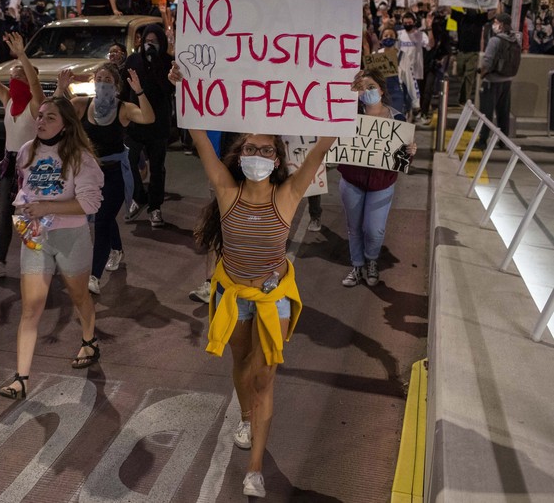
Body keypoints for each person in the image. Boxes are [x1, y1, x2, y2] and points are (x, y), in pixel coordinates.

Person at [172, 60, 336, 497]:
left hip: (272, 300)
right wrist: (183, 89)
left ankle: (256, 467)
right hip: (232, 295)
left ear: (278, 158)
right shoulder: (226, 190)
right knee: (241, 367)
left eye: (266, 151)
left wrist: (345, 95)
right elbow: (199, 137)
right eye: (250, 149)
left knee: (264, 378)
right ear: (240, 155)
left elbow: (322, 146)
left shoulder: (288, 194)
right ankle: (245, 418)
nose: (257, 157)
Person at [0, 97, 104, 401]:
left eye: (50, 117)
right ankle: (21, 378)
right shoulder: (27, 151)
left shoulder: (81, 158)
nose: (41, 122)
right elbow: (24, 191)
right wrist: (22, 215)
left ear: (67, 124)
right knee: (31, 307)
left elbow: (89, 204)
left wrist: (47, 206)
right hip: (36, 239)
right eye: (40, 116)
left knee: (79, 295)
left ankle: (89, 340)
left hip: (71, 238)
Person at [57, 62, 154, 294]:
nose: (102, 83)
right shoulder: (81, 105)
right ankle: (117, 249)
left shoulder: (123, 109)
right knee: (105, 217)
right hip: (89, 174)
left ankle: (94, 276)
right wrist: (61, 89)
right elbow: (55, 114)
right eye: (99, 79)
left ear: (116, 86)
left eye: (108, 80)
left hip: (114, 173)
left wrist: (139, 91)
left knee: (101, 220)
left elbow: (148, 118)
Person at [339, 70, 417, 288]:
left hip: (382, 185)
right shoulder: (348, 115)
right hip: (352, 182)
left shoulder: (397, 119)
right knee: (354, 227)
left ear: (382, 90)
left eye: (371, 86)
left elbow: (402, 158)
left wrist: (410, 150)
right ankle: (357, 265)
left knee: (374, 229)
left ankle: (371, 260)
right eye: (362, 88)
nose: (367, 91)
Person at [0, 31, 45, 280]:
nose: (14, 74)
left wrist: (22, 55)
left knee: (33, 215)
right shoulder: (7, 100)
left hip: (33, 166)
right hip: (10, 163)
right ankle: (0, 262)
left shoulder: (37, 104)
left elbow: (35, 85)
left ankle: (41, 260)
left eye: (20, 73)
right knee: (5, 213)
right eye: (13, 72)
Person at [124, 24, 174, 227]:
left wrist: (156, 67)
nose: (150, 45)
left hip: (159, 124)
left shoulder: (168, 63)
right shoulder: (133, 60)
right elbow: (123, 87)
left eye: (154, 41)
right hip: (135, 122)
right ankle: (139, 196)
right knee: (129, 161)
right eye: (147, 41)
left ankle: (155, 207)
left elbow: (168, 90)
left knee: (157, 168)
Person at [476, 12, 521, 150]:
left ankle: (483, 140)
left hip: (492, 81)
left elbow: (488, 61)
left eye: (496, 22)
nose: (494, 25)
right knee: (503, 112)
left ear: (501, 24)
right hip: (507, 80)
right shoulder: (515, 40)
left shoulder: (495, 40)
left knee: (486, 112)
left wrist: (482, 73)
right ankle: (503, 140)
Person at [448, 7, 489, 106]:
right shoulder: (460, 17)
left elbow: (493, 13)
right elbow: (448, 10)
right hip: (461, 52)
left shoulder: (480, 18)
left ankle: (465, 99)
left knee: (469, 76)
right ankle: (463, 95)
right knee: (460, 74)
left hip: (474, 52)